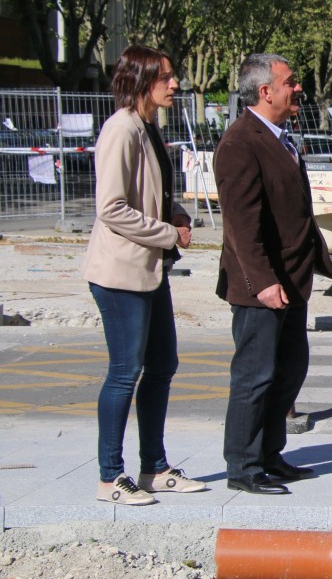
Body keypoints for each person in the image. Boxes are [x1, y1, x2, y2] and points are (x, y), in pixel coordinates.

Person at [84, 45, 207, 505]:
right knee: (124, 373)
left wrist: (175, 212)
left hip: (150, 271)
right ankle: (109, 478)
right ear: (141, 80)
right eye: (166, 77)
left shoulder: (149, 127)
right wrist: (168, 233)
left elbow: (150, 193)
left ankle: (153, 467)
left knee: (162, 366)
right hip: (120, 273)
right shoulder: (121, 129)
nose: (175, 84)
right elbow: (112, 208)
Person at [215, 53, 332, 495]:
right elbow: (241, 225)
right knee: (255, 376)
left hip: (291, 280)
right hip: (261, 286)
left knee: (289, 370)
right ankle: (243, 466)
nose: (297, 88)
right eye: (290, 82)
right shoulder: (240, 143)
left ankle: (269, 454)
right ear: (266, 92)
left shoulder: (280, 136)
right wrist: (263, 282)